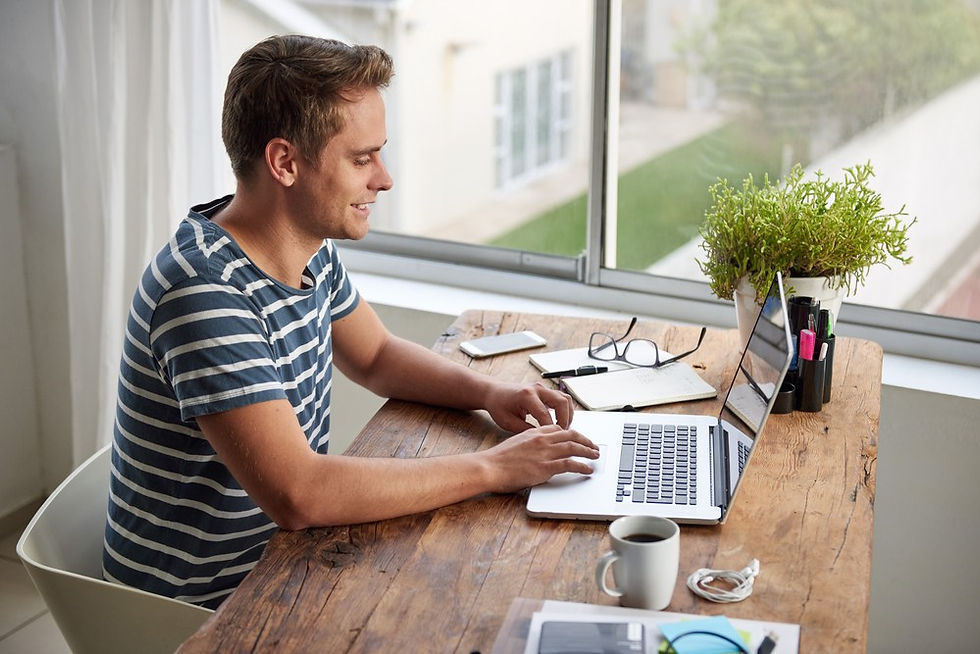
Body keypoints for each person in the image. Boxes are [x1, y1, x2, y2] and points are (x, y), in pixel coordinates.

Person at [102, 35, 598, 609]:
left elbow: (377, 356)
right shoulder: (204, 292)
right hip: (204, 605)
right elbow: (300, 494)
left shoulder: (304, 246)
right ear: (284, 163)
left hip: (284, 558)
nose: (384, 180)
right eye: (362, 159)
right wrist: (492, 468)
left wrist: (491, 392)